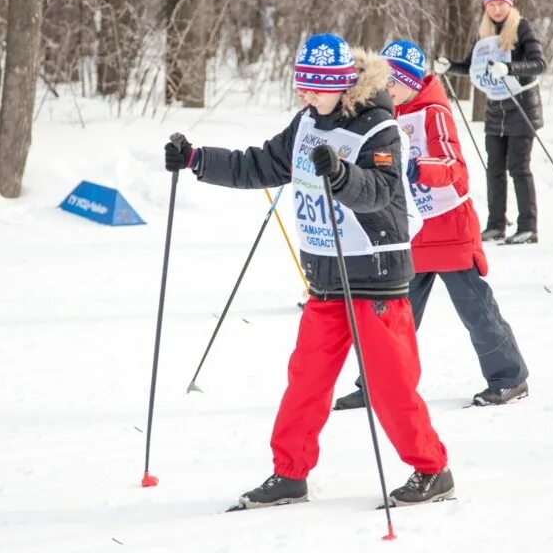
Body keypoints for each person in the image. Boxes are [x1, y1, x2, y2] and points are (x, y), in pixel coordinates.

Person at [164, 33, 454, 508]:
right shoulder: (304, 124)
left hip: (374, 276)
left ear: (342, 85)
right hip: (325, 279)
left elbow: (381, 191)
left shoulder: (379, 128)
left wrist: (341, 177)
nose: (307, 94)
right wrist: (197, 160)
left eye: (317, 87)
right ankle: (289, 474)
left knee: (389, 386)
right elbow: (257, 165)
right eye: (303, 85)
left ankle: (431, 470)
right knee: (306, 381)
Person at [334, 40, 529, 411]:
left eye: (394, 80)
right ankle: (375, 383)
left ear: (412, 80)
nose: (387, 87)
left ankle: (510, 376)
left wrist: (416, 167)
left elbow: (456, 169)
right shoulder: (383, 113)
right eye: (384, 79)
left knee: (476, 308)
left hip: (450, 228)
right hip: (411, 232)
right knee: (395, 310)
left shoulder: (433, 111)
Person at [437, 0, 546, 245]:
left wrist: (510, 69)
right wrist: (449, 66)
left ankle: (528, 226)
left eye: (501, 3)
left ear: (509, 4)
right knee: (494, 168)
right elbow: (471, 66)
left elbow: (539, 64)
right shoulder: (484, 33)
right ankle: (496, 225)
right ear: (486, 6)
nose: (497, 9)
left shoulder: (521, 27)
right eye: (492, 4)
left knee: (518, 167)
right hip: (495, 109)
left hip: (521, 107)